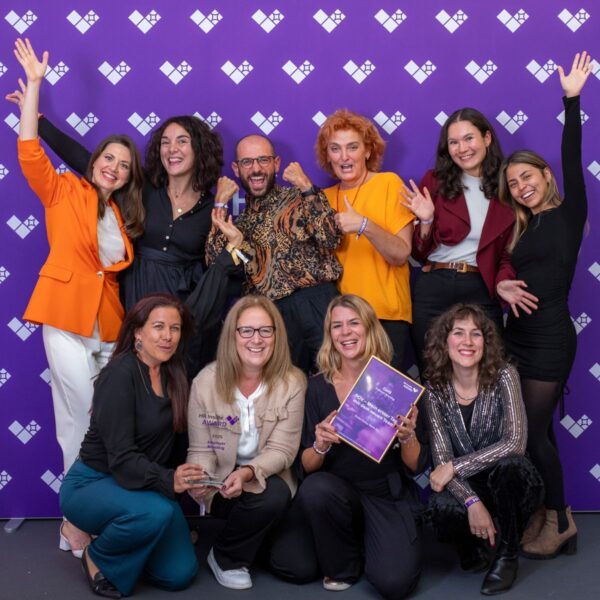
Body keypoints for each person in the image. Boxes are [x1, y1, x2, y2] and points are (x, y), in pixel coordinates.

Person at [13, 38, 145, 557]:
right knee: (92, 415)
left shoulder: (123, 218)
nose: (114, 167)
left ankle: (74, 519)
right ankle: (88, 514)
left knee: (72, 425)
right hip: (65, 318)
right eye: (108, 158)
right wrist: (35, 87)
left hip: (108, 329)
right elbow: (29, 149)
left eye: (124, 164)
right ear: (94, 162)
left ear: (129, 177)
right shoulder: (64, 190)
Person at [496, 51, 592, 559]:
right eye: (513, 184)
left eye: (527, 177)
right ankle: (549, 511)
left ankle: (560, 521)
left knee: (532, 434)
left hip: (551, 338)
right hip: (516, 337)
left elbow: (573, 157)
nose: (521, 187)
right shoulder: (521, 226)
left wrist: (571, 100)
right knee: (536, 431)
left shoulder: (570, 214)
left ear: (545, 175)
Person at [269, 295, 427, 598]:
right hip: (334, 494)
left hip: (383, 494)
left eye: (354, 323)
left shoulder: (398, 384)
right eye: (337, 326)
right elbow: (306, 466)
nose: (345, 332)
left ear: (370, 328)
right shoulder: (317, 387)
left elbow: (415, 465)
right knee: (310, 506)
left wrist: (407, 436)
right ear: (329, 335)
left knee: (395, 584)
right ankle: (345, 563)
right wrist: (320, 444)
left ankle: (372, 541)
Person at [60, 294, 204, 598]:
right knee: (155, 513)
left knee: (179, 574)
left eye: (175, 328)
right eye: (158, 327)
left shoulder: (175, 373)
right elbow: (122, 458)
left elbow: (176, 444)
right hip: (94, 482)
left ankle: (134, 539)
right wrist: (170, 480)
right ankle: (96, 555)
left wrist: (193, 476)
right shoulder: (119, 374)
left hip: (143, 487)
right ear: (138, 332)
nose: (167, 336)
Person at [187, 295, 306, 590]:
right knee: (268, 502)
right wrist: (201, 479)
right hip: (223, 486)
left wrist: (248, 472)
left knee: (298, 567)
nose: (257, 339)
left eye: (265, 330)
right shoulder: (205, 382)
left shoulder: (293, 382)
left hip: (269, 481)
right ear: (233, 335)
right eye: (247, 330)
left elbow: (283, 451)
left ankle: (245, 539)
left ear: (276, 335)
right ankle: (226, 558)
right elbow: (201, 449)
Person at [423, 304, 543, 596]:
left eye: (476, 334)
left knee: (511, 467)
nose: (467, 341)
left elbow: (515, 443)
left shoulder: (504, 375)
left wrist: (456, 466)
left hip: (509, 479)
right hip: (470, 484)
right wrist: (472, 502)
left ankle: (507, 553)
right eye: (458, 333)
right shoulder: (434, 389)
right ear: (444, 341)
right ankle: (473, 546)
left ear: (485, 342)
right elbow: (441, 461)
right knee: (441, 509)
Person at [207, 134, 342, 373]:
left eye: (263, 160)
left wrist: (306, 186)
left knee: (339, 374)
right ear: (236, 169)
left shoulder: (300, 197)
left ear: (276, 164)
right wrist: (219, 204)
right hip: (274, 314)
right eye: (247, 162)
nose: (256, 169)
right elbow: (215, 264)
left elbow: (331, 238)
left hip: (317, 302)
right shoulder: (239, 224)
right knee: (288, 386)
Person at [401, 102, 517, 371]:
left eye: (468, 139)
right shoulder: (434, 181)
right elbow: (418, 252)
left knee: (486, 372)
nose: (462, 148)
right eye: (454, 142)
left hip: (481, 286)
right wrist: (426, 220)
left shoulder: (507, 186)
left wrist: (502, 282)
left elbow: (508, 253)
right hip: (435, 284)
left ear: (487, 138)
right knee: (432, 372)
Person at [316, 110, 415, 370]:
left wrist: (363, 225)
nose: (344, 157)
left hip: (384, 317)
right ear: (327, 155)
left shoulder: (389, 184)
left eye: (352, 147)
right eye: (335, 149)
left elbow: (401, 253)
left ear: (368, 151)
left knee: (382, 396)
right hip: (341, 325)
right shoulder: (323, 199)